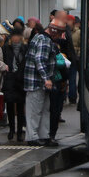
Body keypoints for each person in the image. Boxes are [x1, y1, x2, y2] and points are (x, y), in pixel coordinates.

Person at [23, 17, 57, 146]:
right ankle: (33, 137)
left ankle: (41, 135)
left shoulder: (39, 37)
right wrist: (46, 78)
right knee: (36, 110)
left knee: (40, 109)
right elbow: (40, 59)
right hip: (37, 82)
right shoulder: (44, 40)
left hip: (36, 81)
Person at [1, 26, 28, 143]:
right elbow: (3, 61)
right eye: (14, 36)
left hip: (21, 80)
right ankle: (11, 129)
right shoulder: (6, 48)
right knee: (10, 106)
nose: (16, 38)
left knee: (21, 107)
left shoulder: (25, 48)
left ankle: (19, 131)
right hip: (10, 80)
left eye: (18, 36)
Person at [46, 22, 69, 144]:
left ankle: (50, 134)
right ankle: (50, 135)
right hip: (54, 82)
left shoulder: (53, 46)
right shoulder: (53, 47)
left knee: (52, 110)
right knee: (53, 110)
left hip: (55, 82)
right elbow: (62, 66)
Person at [67, 16, 82, 107]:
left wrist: (77, 52)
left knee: (73, 78)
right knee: (70, 78)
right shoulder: (65, 31)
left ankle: (73, 97)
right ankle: (70, 96)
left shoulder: (78, 32)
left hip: (76, 58)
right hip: (68, 57)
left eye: (69, 20)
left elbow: (81, 45)